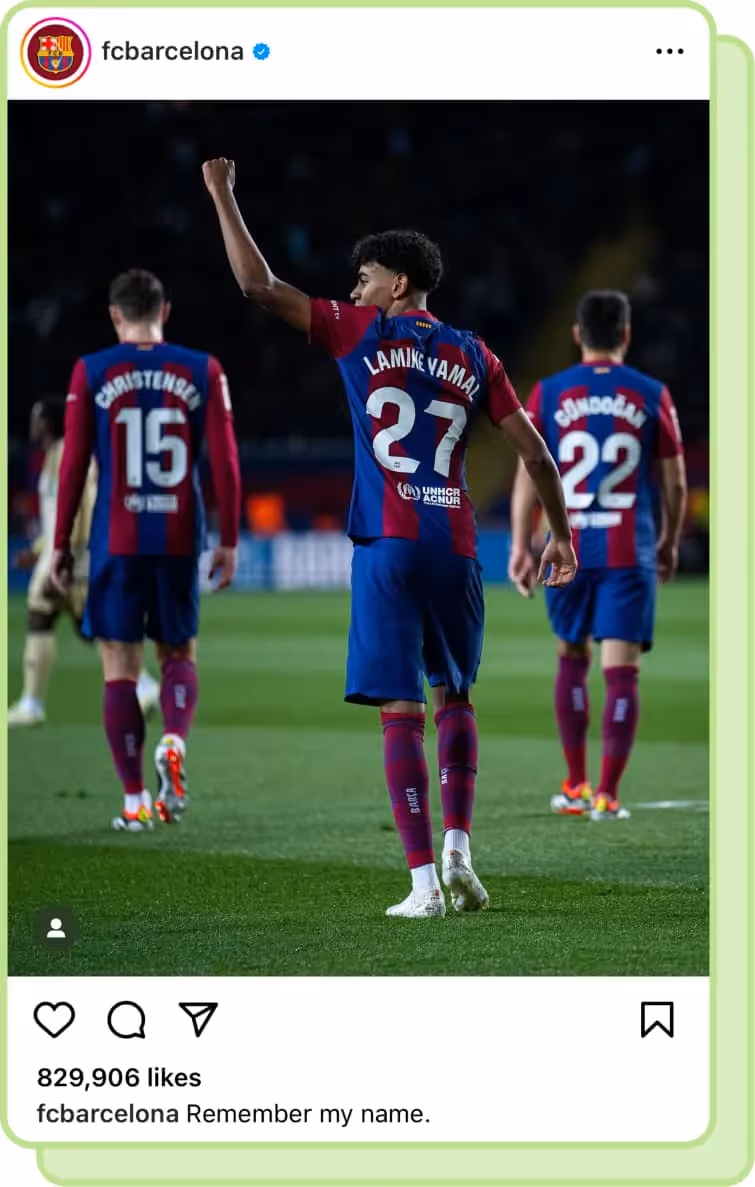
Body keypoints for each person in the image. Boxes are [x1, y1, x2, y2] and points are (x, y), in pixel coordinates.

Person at [202, 157, 577, 918]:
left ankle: (421, 885)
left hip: (388, 543)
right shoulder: (477, 353)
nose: (353, 290)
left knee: (398, 709)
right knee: (456, 695)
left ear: (398, 284)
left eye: (365, 277)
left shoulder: (359, 331)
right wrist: (559, 537)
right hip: (457, 545)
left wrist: (221, 193)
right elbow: (535, 451)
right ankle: (461, 855)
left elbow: (255, 286)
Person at [50, 269, 241, 832]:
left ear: (115, 315)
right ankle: (174, 739)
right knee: (178, 655)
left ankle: (134, 801)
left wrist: (59, 543)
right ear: (166, 311)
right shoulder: (204, 368)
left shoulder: (91, 371)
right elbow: (224, 462)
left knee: (119, 670)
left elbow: (72, 464)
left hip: (117, 536)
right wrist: (229, 538)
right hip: (180, 534)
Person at [508, 290, 687, 821]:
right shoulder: (653, 393)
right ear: (626, 335)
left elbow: (529, 469)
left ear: (576, 334)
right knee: (621, 673)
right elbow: (675, 483)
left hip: (570, 547)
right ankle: (608, 796)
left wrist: (521, 543)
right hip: (629, 548)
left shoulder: (549, 392)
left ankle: (576, 784)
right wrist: (670, 541)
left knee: (571, 658)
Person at [10, 399, 160, 727]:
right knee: (91, 628)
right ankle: (145, 688)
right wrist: (38, 549)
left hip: (71, 561)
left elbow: (78, 508)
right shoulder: (58, 454)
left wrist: (64, 558)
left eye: (36, 419)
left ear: (47, 424)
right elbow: (57, 517)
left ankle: (32, 704)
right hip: (67, 557)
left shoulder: (67, 454)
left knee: (45, 617)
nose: (32, 426)